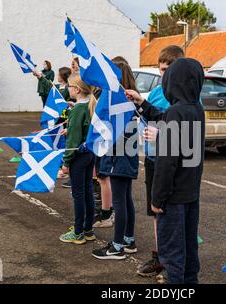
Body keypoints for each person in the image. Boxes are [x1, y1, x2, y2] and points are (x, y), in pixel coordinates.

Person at [125, 58, 205, 284]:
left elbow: (166, 162)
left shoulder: (175, 113)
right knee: (188, 248)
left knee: (171, 253)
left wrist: (157, 197)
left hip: (172, 197)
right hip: (191, 194)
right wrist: (141, 103)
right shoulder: (196, 109)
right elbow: (164, 118)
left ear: (172, 83)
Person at [136, 45, 185, 277]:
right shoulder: (156, 92)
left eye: (167, 69)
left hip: (173, 163)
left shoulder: (184, 97)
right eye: (161, 69)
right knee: (155, 210)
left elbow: (183, 131)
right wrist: (138, 102)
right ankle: (158, 256)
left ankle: (172, 259)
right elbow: (149, 114)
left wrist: (160, 133)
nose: (163, 74)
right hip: (153, 159)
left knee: (170, 212)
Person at [92, 59, 139, 260]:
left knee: (120, 201)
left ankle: (117, 246)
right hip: (128, 155)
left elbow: (108, 130)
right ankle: (128, 239)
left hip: (118, 155)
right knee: (126, 198)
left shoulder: (118, 101)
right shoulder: (131, 99)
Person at [59, 74, 97, 245]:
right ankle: (88, 229)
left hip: (79, 157)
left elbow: (72, 141)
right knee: (88, 191)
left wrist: (65, 163)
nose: (67, 88)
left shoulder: (77, 110)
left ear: (77, 90)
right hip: (90, 154)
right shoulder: (91, 105)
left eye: (69, 86)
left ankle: (78, 231)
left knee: (78, 194)